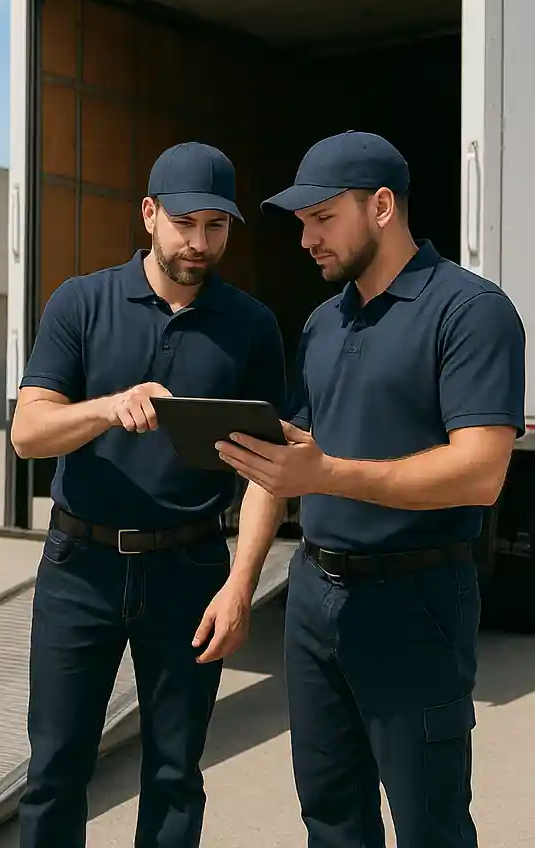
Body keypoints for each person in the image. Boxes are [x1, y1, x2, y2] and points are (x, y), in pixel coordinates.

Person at [217, 131, 526, 848]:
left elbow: (481, 472)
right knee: (330, 817)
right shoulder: (325, 322)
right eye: (302, 225)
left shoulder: (470, 311)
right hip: (314, 602)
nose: (306, 241)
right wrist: (240, 584)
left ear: (382, 206)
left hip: (414, 603)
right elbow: (283, 460)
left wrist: (326, 475)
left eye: (322, 219)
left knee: (429, 825)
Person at [11, 142, 289, 848]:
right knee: (55, 770)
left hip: (191, 573)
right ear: (148, 214)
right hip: (81, 568)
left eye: (216, 227)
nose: (199, 243)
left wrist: (240, 586)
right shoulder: (81, 302)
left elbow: (268, 470)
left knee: (174, 774)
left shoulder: (251, 327)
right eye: (184, 223)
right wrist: (108, 407)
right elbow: (29, 433)